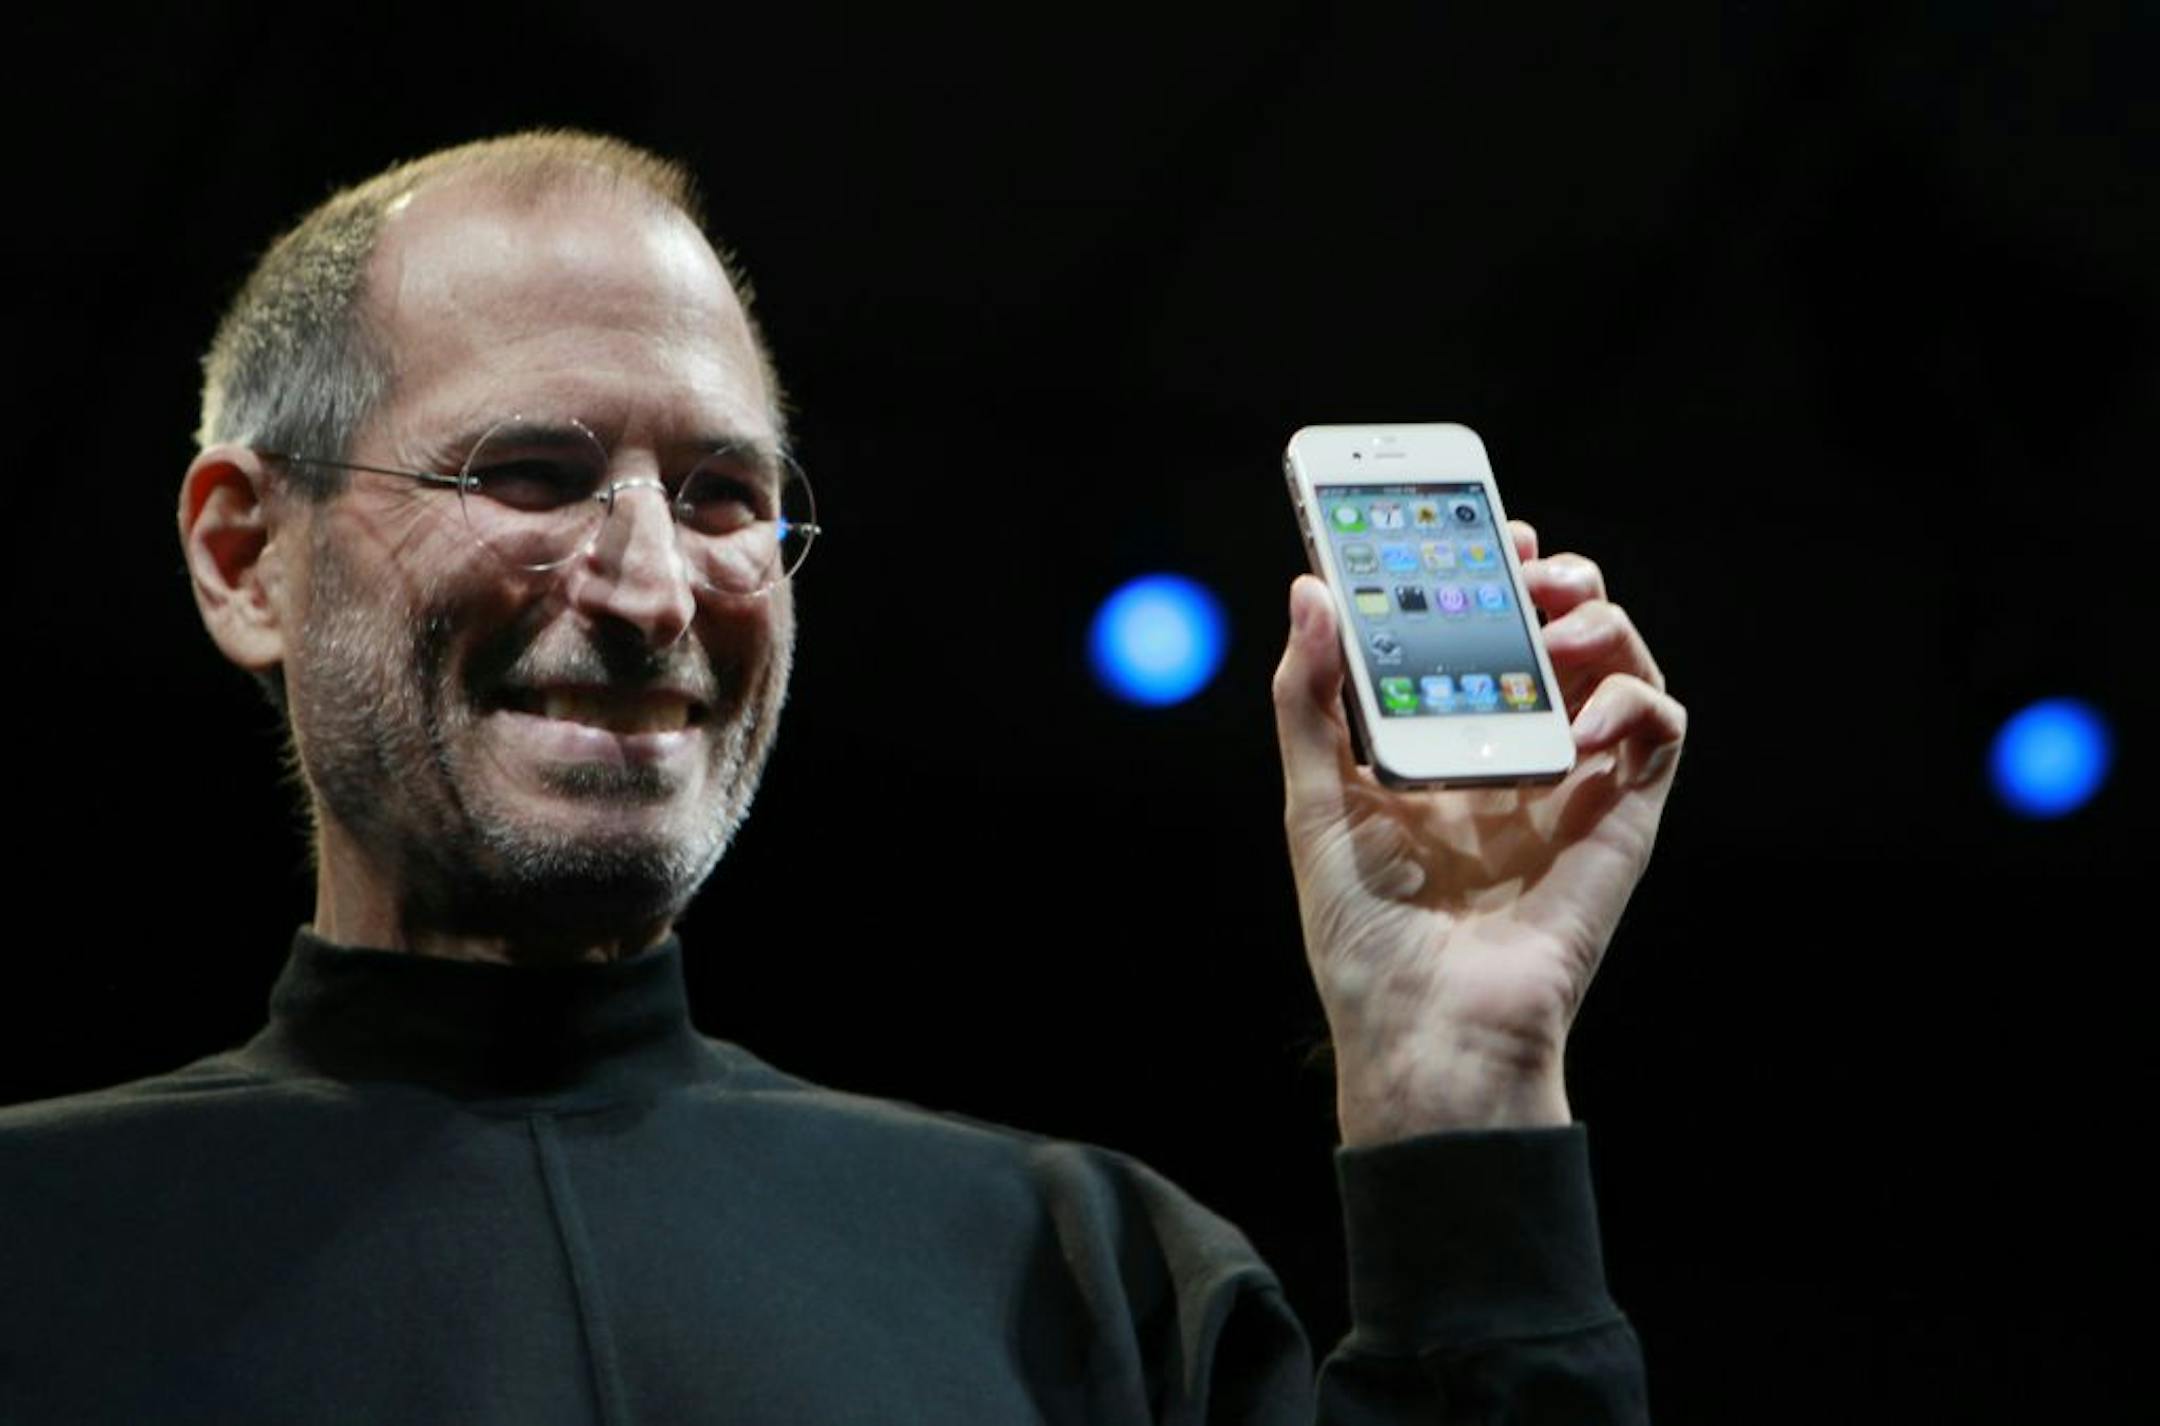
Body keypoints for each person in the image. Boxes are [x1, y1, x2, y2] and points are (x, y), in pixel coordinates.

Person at [0, 131, 1684, 1423]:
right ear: (246, 558)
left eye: (727, 495)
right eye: (531, 470)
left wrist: (1456, 1084)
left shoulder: (1088, 1282)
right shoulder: (41, 1249)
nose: (654, 586)